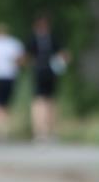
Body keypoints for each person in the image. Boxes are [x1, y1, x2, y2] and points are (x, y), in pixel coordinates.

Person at [26, 14, 68, 142]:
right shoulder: (34, 39)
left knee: (49, 102)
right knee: (40, 103)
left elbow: (63, 54)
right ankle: (40, 131)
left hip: (50, 73)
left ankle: (49, 131)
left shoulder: (52, 39)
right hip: (39, 73)